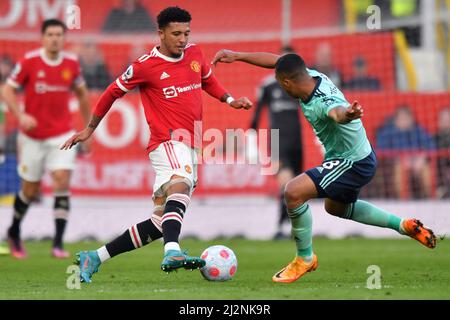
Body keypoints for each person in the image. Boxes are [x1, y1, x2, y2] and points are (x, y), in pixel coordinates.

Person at [61, 6, 252, 283]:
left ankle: (95, 256)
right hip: (167, 141)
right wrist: (90, 128)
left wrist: (230, 100)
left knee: (161, 222)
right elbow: (112, 92)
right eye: (176, 33)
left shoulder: (195, 54)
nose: (182, 39)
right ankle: (172, 251)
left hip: (190, 144)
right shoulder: (145, 66)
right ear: (160, 33)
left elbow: (207, 79)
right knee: (181, 184)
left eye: (186, 33)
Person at [212, 50, 436, 283]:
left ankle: (304, 259)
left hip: (351, 162)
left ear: (287, 83)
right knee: (336, 208)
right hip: (356, 156)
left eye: (281, 84)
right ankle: (404, 226)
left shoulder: (320, 102)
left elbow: (336, 112)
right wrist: (237, 56)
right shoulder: (311, 76)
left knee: (293, 192)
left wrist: (348, 114)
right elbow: (277, 61)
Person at [2, 19, 91, 259]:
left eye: (59, 35)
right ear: (43, 37)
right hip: (32, 137)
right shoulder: (29, 61)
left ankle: (58, 243)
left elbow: (82, 96)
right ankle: (14, 231)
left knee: (62, 179)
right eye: (50, 34)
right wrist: (20, 115)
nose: (54, 39)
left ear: (64, 38)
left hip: (62, 135)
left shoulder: (72, 64)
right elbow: (7, 90)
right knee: (30, 190)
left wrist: (88, 129)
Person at [251, 46, 303, 240]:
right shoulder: (268, 86)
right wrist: (251, 138)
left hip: (297, 142)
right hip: (278, 142)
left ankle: (293, 227)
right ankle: (281, 226)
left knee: (296, 189)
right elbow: (256, 116)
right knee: (287, 184)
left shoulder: (300, 86)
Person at [376, 106, 435, 198]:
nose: (404, 121)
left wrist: (423, 157)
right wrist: (400, 159)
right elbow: (381, 150)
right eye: (401, 118)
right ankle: (403, 199)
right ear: (395, 120)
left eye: (407, 118)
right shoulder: (388, 132)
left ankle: (431, 197)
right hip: (397, 163)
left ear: (412, 119)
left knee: (426, 168)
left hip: (417, 162)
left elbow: (431, 146)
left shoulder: (419, 130)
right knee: (400, 168)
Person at [435, 107, 450, 198]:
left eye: (448, 119)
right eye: (443, 119)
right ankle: (442, 191)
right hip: (440, 171)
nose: (446, 122)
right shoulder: (435, 138)